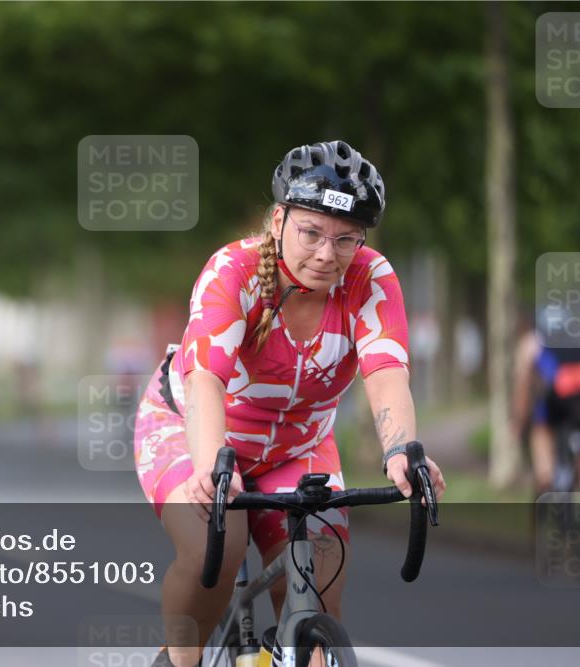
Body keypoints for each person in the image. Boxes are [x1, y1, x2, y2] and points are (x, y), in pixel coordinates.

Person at [133, 141, 447, 667]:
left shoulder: (371, 279)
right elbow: (207, 378)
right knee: (220, 543)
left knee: (321, 571)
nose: (327, 254)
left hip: (298, 447)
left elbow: (387, 374)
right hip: (194, 427)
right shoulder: (230, 272)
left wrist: (400, 453)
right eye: (311, 233)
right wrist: (214, 464)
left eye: (346, 240)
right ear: (278, 220)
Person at [512, 305, 580, 495]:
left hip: (559, 398)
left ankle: (545, 477)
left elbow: (522, 386)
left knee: (541, 431)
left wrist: (518, 422)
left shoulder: (532, 341)